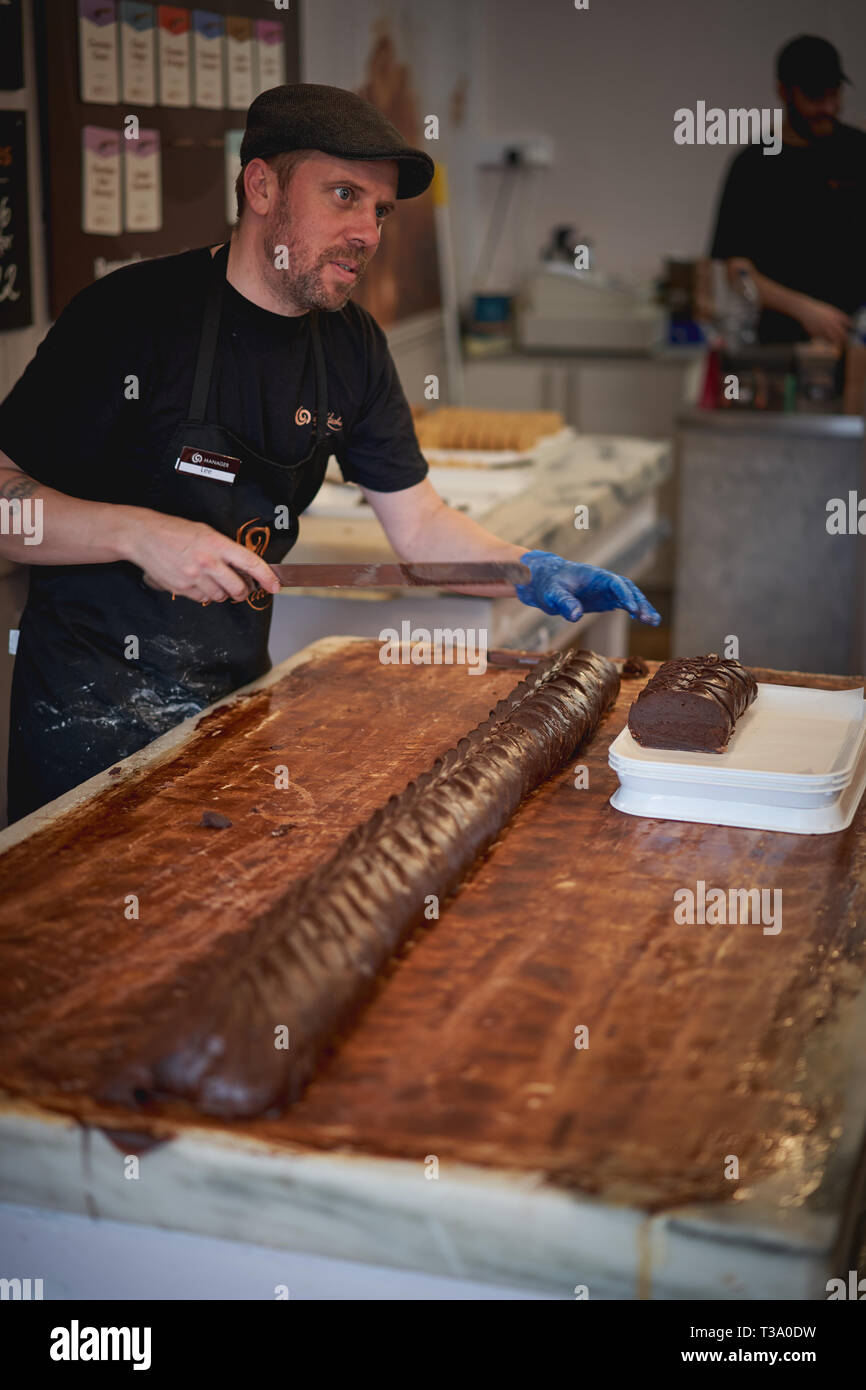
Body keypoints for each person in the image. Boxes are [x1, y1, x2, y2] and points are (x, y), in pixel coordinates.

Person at [0, 84, 658, 824]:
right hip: (86, 727)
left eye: (378, 210)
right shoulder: (132, 319)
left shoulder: (352, 348)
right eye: (343, 195)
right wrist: (138, 532)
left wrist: (525, 568)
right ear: (261, 186)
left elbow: (419, 528)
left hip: (229, 713)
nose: (367, 231)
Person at [710, 35, 866, 347]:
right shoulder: (754, 165)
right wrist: (806, 311)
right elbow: (737, 271)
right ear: (783, 92)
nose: (828, 107)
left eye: (834, 94)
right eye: (814, 97)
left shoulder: (859, 151)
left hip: (856, 341)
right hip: (780, 344)